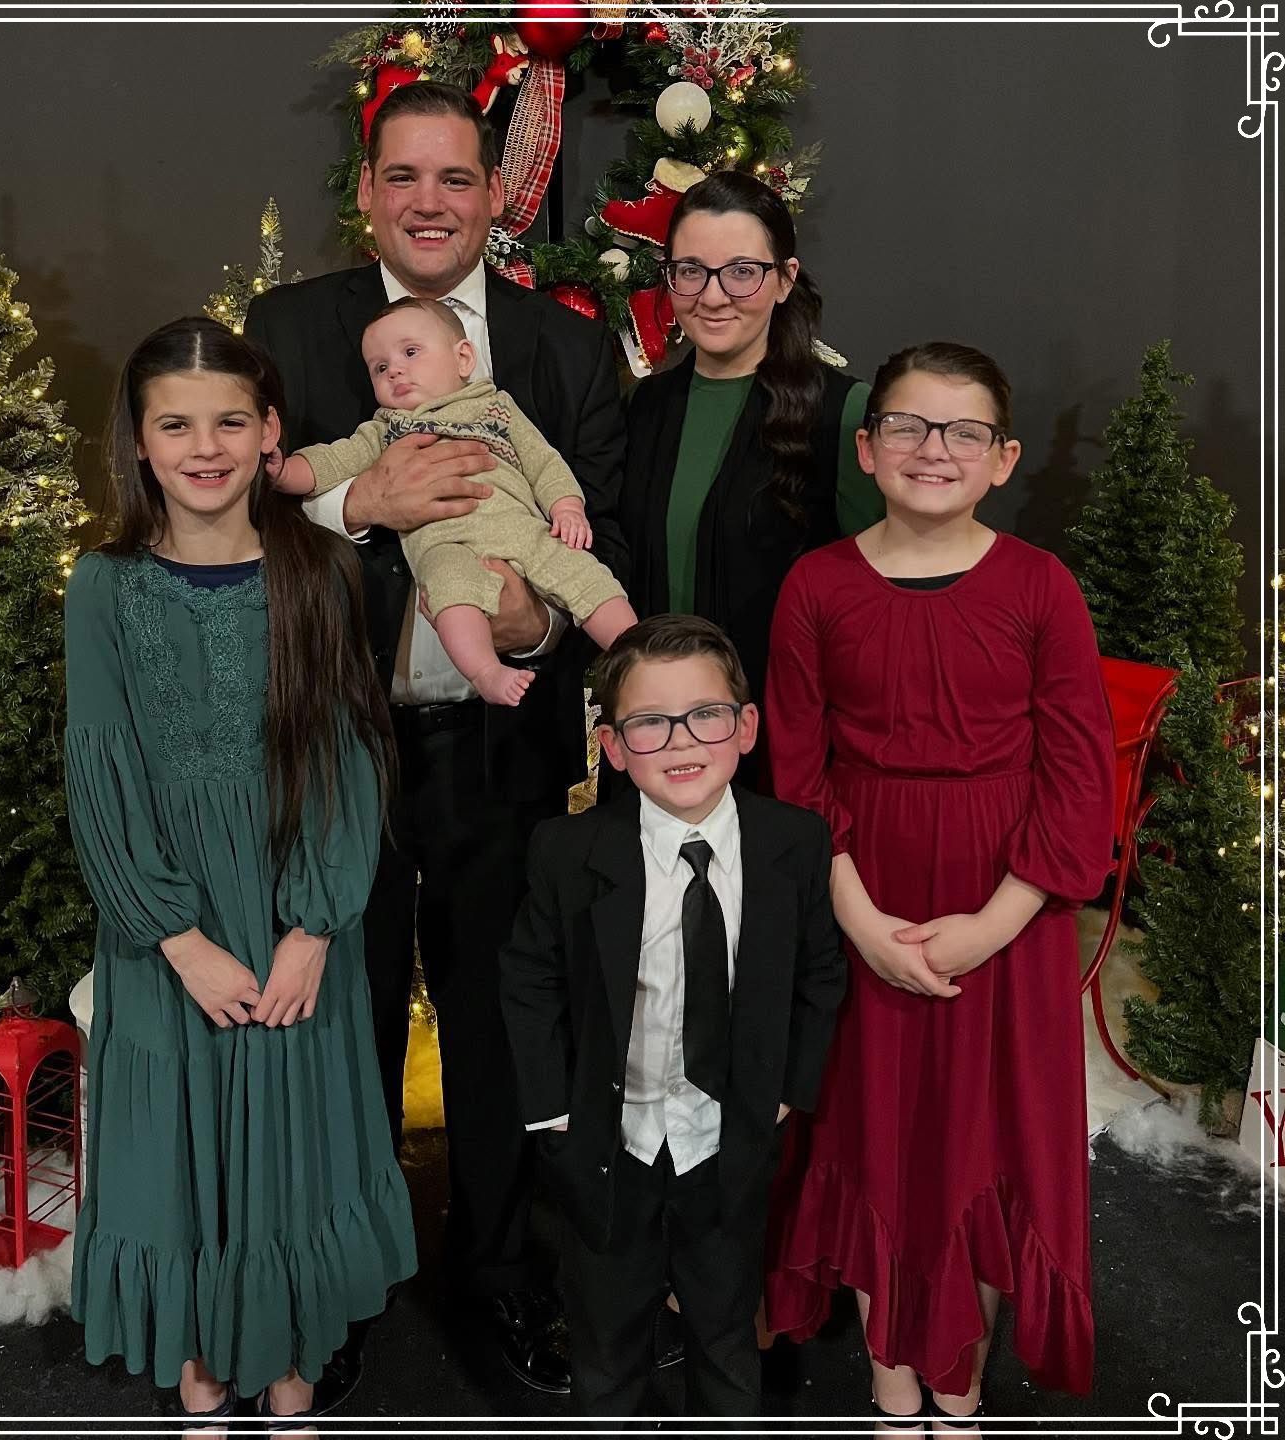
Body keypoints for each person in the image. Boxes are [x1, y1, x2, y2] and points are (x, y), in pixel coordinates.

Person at [245, 79, 627, 1392]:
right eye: (402, 176)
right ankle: (339, 1278)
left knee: (499, 1025)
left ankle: (500, 1272)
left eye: (454, 178)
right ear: (365, 191)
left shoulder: (564, 351)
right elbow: (226, 513)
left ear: (493, 195)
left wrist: (527, 622)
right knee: (337, 1021)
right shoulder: (289, 331)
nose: (427, 202)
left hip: (497, 753)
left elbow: (603, 537)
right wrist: (361, 503)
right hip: (333, 749)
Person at [64, 317, 416, 1430]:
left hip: (292, 900)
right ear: (138, 442)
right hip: (168, 926)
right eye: (175, 423)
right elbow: (102, 769)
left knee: (294, 1133)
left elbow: (348, 756)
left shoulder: (323, 570)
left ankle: (295, 1353)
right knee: (179, 1132)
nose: (203, 446)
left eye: (228, 421)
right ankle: (206, 1362)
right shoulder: (105, 588)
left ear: (270, 432)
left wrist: (313, 926)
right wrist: (176, 935)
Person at [762, 343, 1115, 1433]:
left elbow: (1078, 771)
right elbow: (798, 766)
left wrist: (995, 924)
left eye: (964, 432)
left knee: (988, 1138)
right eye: (909, 427)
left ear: (1001, 459)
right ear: (867, 449)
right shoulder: (816, 585)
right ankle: (889, 1370)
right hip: (866, 892)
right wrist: (860, 917)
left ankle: (959, 1374)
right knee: (878, 1137)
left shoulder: (1039, 586)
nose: (934, 450)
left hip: (1003, 910)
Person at [500, 615, 848, 1416]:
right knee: (605, 1340)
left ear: (746, 726)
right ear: (614, 745)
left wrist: (788, 1088)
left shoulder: (792, 843)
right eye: (649, 723)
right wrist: (552, 1112)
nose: (682, 740)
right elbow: (528, 981)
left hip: (725, 1139)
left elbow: (820, 973)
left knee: (726, 1336)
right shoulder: (567, 849)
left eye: (706, 714)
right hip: (606, 1144)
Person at [619, 171, 883, 777]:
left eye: (741, 271)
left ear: (784, 279)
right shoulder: (647, 406)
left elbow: (872, 604)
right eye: (691, 270)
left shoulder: (840, 411)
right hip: (655, 734)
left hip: (782, 741)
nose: (712, 296)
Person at [274, 296, 636, 705]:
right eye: (379, 367)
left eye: (410, 352)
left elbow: (543, 462)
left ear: (463, 358)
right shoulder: (384, 430)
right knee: (450, 592)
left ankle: (636, 653)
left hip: (521, 528)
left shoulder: (495, 409)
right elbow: (331, 460)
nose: (394, 369)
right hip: (445, 545)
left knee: (583, 573)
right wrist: (284, 472)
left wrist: (566, 506)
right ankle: (486, 671)